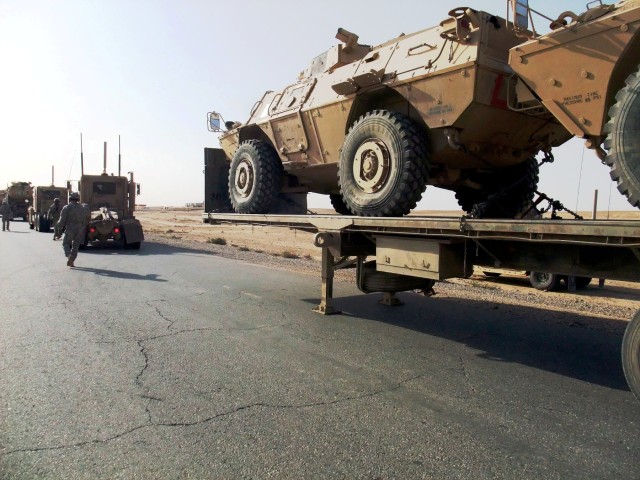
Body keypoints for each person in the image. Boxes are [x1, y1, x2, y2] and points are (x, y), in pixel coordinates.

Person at [56, 192, 89, 267]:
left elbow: (62, 220)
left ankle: (69, 255)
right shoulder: (83, 208)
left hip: (70, 228)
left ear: (70, 198)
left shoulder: (67, 207)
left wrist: (58, 229)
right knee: (76, 245)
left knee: (66, 243)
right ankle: (72, 261)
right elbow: (87, 218)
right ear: (78, 199)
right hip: (80, 229)